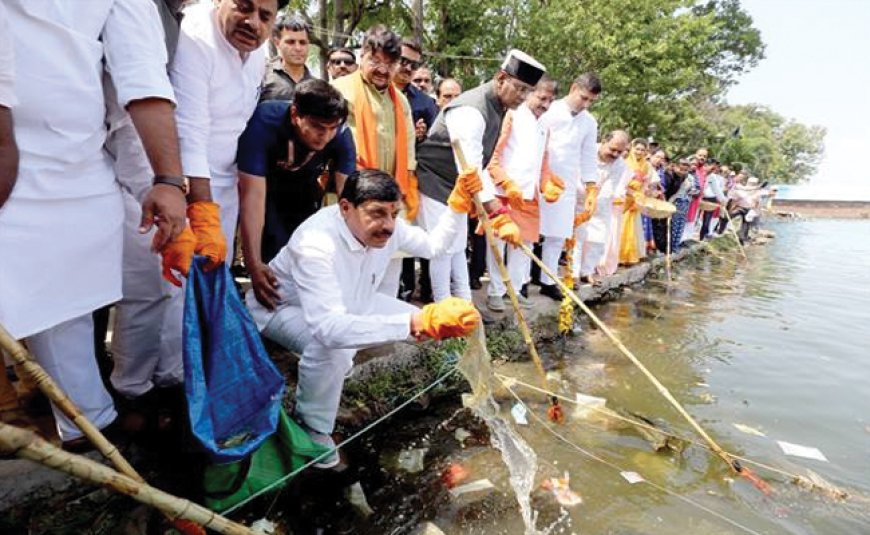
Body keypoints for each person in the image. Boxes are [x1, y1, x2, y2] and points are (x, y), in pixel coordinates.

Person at [0, 0, 190, 448]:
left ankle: (87, 424)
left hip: (78, 159)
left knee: (70, 299)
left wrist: (165, 181)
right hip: (11, 162)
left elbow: (141, 76)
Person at [246, 168, 482, 467]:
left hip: (354, 302)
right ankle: (314, 428)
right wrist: (412, 324)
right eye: (377, 214)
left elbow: (436, 246)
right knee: (335, 349)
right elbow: (328, 328)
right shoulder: (315, 243)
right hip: (281, 309)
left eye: (393, 213)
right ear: (346, 208)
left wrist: (458, 205)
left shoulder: (389, 227)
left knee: (428, 322)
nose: (388, 225)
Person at [416, 49, 546, 302]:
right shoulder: (471, 110)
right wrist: (498, 212)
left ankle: (465, 306)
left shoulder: (500, 107)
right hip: (436, 181)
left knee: (456, 248)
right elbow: (471, 169)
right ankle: (444, 308)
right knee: (442, 249)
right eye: (519, 88)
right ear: (500, 79)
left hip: (459, 187)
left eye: (528, 91)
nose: (523, 97)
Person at [171, 0, 280, 256]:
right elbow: (189, 132)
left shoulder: (257, 52)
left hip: (226, 189)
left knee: (214, 282)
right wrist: (202, 215)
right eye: (243, 7)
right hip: (183, 189)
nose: (253, 22)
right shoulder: (194, 34)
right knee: (170, 291)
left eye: (265, 16)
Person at [237, 79, 355, 311]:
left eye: (333, 128)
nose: (326, 136)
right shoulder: (264, 122)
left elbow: (349, 199)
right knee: (271, 254)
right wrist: (253, 264)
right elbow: (252, 197)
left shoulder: (341, 134)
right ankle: (267, 315)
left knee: (308, 251)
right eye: (319, 127)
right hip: (265, 189)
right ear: (295, 115)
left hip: (305, 190)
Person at [332, 25, 418, 299]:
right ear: (361, 56)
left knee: (387, 271)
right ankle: (347, 335)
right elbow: (341, 151)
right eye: (375, 61)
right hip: (349, 195)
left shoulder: (401, 101)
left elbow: (409, 153)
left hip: (392, 199)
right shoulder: (341, 91)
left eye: (389, 63)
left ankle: (380, 332)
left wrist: (405, 194)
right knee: (347, 270)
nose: (382, 69)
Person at [484, 76, 562, 311]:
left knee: (524, 245)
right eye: (542, 98)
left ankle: (515, 291)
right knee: (498, 242)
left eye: (550, 100)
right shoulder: (512, 115)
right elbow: (493, 156)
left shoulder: (545, 126)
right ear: (530, 94)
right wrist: (505, 182)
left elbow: (543, 161)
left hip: (530, 195)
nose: (546, 105)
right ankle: (495, 291)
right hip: (504, 192)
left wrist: (547, 183)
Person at [537, 72, 601, 299]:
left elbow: (588, 156)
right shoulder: (549, 109)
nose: (586, 104)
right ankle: (521, 281)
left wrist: (591, 186)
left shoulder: (589, 122)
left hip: (567, 183)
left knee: (557, 235)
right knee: (531, 233)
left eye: (591, 101)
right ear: (574, 88)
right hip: (539, 178)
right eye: (583, 98)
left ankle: (548, 280)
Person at [393, 38, 440, 302]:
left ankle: (411, 288)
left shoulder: (423, 101)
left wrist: (420, 138)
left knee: (410, 236)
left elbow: (431, 144)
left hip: (413, 179)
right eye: (403, 60)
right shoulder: (377, 88)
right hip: (377, 175)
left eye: (414, 64)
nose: (408, 68)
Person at [579, 130, 629, 282]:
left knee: (597, 239)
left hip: (601, 203)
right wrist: (586, 195)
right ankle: (572, 273)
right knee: (577, 237)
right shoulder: (587, 151)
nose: (615, 154)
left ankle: (587, 271)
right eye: (612, 149)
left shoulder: (620, 164)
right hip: (578, 198)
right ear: (603, 141)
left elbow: (610, 187)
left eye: (619, 152)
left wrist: (595, 200)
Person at [260, 13, 314, 102]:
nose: (298, 48)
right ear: (277, 43)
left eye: (303, 42)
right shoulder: (262, 75)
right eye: (291, 42)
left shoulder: (317, 85)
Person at [618, 138, 655, 265]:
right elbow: (620, 183)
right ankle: (618, 255)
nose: (639, 152)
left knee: (633, 227)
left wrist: (642, 193)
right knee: (621, 226)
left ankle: (629, 255)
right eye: (637, 149)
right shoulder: (624, 163)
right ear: (632, 148)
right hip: (624, 198)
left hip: (637, 198)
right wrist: (631, 193)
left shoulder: (647, 166)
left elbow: (646, 183)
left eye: (642, 150)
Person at [684, 147, 709, 241]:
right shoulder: (690, 167)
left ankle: (687, 239)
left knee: (692, 219)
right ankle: (681, 241)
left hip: (697, 200)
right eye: (700, 155)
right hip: (687, 199)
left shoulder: (703, 170)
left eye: (704, 156)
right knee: (684, 219)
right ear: (695, 155)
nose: (702, 158)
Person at [699, 158, 727, 240]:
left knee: (707, 221)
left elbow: (717, 189)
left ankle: (702, 238)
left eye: (715, 168)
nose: (713, 170)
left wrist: (722, 200)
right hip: (697, 199)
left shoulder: (712, 177)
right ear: (706, 165)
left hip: (710, 200)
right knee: (694, 219)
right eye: (712, 167)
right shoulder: (699, 172)